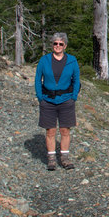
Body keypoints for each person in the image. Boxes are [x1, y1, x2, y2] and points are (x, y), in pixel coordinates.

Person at [35, 32, 80, 170]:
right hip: (48, 100)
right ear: (52, 45)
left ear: (65, 45)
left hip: (66, 100)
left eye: (61, 44)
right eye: (55, 43)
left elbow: (76, 80)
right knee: (50, 131)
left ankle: (65, 158)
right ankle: (51, 159)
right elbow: (38, 79)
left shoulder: (72, 60)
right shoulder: (44, 60)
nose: (58, 46)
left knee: (65, 130)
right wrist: (40, 97)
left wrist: (73, 97)